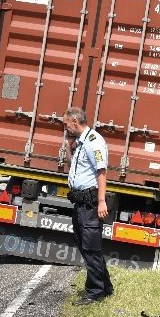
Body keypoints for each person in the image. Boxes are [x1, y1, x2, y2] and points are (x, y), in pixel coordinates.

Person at [63, 107, 113, 305]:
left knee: (91, 248)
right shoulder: (80, 143)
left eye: (66, 123)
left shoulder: (94, 142)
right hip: (80, 202)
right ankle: (105, 287)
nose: (65, 127)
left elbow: (102, 173)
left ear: (75, 121)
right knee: (85, 246)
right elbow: (71, 166)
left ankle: (94, 292)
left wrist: (101, 201)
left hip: (90, 204)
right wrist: (68, 146)